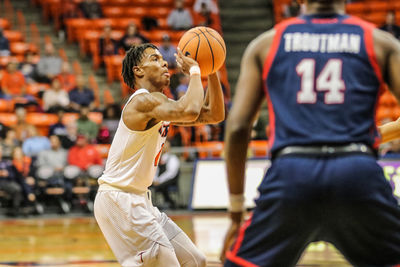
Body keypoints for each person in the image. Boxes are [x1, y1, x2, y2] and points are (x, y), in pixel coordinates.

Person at [221, 0, 400, 266]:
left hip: (291, 172)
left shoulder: (267, 44)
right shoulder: (380, 42)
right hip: (357, 171)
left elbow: (237, 128)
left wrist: (236, 210)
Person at [94, 43, 224, 266]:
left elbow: (215, 114)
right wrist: (195, 72)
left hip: (140, 199)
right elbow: (190, 109)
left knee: (196, 261)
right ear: (138, 71)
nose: (164, 62)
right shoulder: (142, 101)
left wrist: (211, 71)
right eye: (154, 59)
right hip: (119, 199)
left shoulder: (160, 105)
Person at [152, 140, 180, 209]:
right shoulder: (158, 158)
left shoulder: (173, 158)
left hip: (170, 180)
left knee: (161, 186)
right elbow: (155, 170)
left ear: (169, 147)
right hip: (159, 180)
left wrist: (159, 180)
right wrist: (155, 179)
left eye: (165, 146)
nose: (163, 147)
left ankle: (170, 203)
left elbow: (171, 173)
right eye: (162, 145)